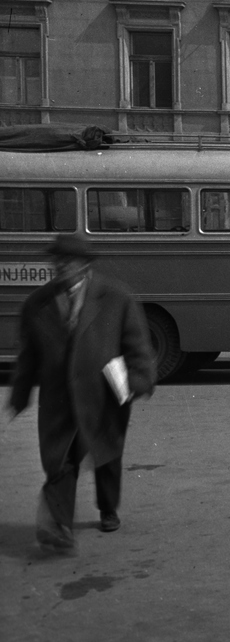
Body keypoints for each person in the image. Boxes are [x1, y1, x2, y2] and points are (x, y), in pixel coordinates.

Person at [7, 234, 157, 552]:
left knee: (106, 456)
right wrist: (19, 394)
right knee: (60, 460)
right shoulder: (37, 303)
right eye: (56, 260)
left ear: (84, 265)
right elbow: (29, 355)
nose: (59, 266)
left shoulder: (116, 296)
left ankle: (108, 508)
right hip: (58, 400)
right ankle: (58, 525)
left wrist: (140, 378)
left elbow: (136, 343)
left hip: (103, 394)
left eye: (67, 260)